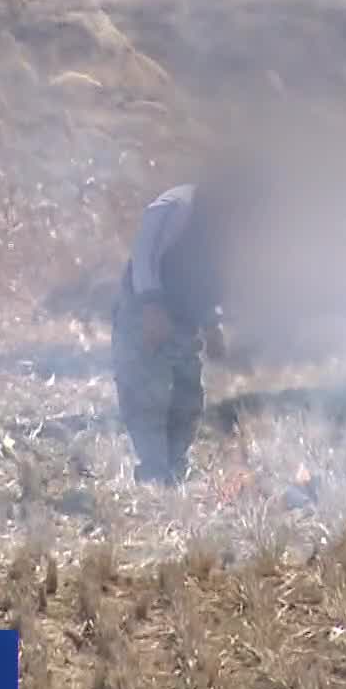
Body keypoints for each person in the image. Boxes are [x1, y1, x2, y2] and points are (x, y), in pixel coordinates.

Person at [110, 179, 239, 485]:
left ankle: (175, 465)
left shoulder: (227, 227)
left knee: (188, 394)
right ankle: (154, 470)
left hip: (185, 319)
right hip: (143, 312)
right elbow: (145, 256)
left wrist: (212, 325)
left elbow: (210, 280)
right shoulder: (174, 207)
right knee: (144, 391)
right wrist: (151, 306)